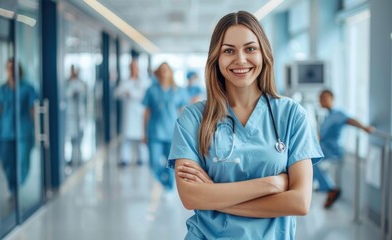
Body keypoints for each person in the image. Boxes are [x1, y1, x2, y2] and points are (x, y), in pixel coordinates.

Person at [167, 11, 323, 240]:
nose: (240, 59)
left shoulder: (291, 115)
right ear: (215, 58)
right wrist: (271, 183)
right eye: (228, 50)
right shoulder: (193, 118)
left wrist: (214, 198)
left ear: (264, 54)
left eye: (250, 49)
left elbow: (299, 202)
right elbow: (191, 198)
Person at [314, 89, 374, 208]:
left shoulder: (338, 114)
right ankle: (327, 188)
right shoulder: (327, 115)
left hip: (333, 150)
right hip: (324, 148)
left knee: (312, 163)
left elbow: (350, 120)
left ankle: (330, 189)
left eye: (324, 98)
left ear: (332, 99)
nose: (321, 101)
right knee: (309, 162)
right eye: (320, 98)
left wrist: (364, 128)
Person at [142, 62, 188, 191]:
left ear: (171, 73)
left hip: (173, 133)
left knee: (172, 164)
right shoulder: (151, 90)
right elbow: (146, 112)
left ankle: (169, 186)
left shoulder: (178, 90)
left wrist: (185, 133)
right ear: (157, 73)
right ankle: (165, 182)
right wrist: (144, 133)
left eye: (166, 70)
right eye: (161, 70)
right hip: (154, 132)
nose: (164, 72)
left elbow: (183, 112)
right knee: (154, 164)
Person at [0, 58, 37, 193]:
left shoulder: (27, 88)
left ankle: (18, 185)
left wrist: (36, 130)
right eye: (9, 68)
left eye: (14, 68)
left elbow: (33, 110)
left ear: (19, 70)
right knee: (7, 162)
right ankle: (13, 187)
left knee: (22, 162)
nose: (11, 72)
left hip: (23, 132)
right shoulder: (2, 89)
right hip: (6, 133)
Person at [114, 59, 149, 166]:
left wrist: (131, 93)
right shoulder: (125, 81)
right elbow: (117, 93)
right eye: (131, 67)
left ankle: (142, 159)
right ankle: (125, 159)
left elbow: (143, 95)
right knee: (126, 137)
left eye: (135, 67)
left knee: (141, 137)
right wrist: (127, 92)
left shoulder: (144, 81)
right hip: (128, 113)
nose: (134, 69)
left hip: (140, 113)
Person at [65, 65, 87, 165]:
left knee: (79, 138)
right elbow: (67, 94)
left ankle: (78, 158)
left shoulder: (80, 83)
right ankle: (73, 158)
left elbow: (83, 92)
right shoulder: (67, 83)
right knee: (72, 138)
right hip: (70, 115)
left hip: (79, 115)